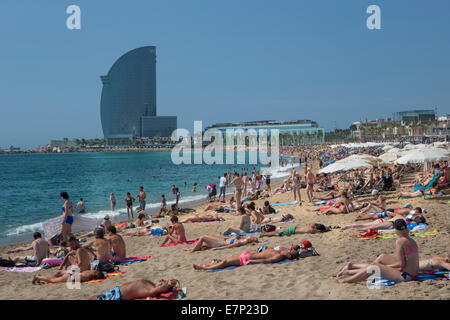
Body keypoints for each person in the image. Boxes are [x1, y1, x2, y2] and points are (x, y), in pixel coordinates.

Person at [336, 219, 419, 284]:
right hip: (411, 273)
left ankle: (345, 280)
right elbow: (404, 263)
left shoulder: (400, 241)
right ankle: (351, 269)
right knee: (382, 257)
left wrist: (387, 267)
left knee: (375, 266)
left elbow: (401, 264)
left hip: (406, 276)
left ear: (396, 230)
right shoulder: (411, 240)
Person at [193, 245, 300, 270]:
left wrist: (251, 261)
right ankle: (207, 265)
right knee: (226, 260)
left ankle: (204, 268)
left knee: (225, 262)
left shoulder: (279, 257)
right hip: (247, 254)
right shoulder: (282, 251)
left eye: (291, 251)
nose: (289, 249)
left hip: (245, 259)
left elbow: (265, 260)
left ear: (289, 256)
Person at [91, 278, 179, 300]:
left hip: (116, 296)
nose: (161, 280)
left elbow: (161, 289)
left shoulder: (151, 290)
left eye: (162, 282)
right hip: (116, 291)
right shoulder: (151, 285)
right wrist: (169, 281)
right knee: (95, 296)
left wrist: (170, 285)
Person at [188, 235, 258, 252]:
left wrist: (217, 249)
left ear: (249, 239)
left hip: (221, 244)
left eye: (251, 237)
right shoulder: (242, 238)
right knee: (206, 241)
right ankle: (194, 248)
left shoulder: (240, 242)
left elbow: (228, 246)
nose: (250, 236)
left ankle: (193, 250)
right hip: (223, 240)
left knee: (203, 238)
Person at [33, 269, 104, 285]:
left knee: (53, 277)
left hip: (70, 272)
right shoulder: (89, 276)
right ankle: (37, 277)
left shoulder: (91, 271)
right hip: (71, 276)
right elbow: (79, 276)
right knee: (53, 280)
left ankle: (41, 276)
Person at [259, 223, 329, 237]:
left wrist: (326, 227)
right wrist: (326, 229)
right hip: (292, 231)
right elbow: (320, 231)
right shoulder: (313, 230)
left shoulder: (312, 226)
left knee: (279, 233)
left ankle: (265, 233)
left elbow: (316, 225)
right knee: (278, 234)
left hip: (294, 228)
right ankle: (264, 234)